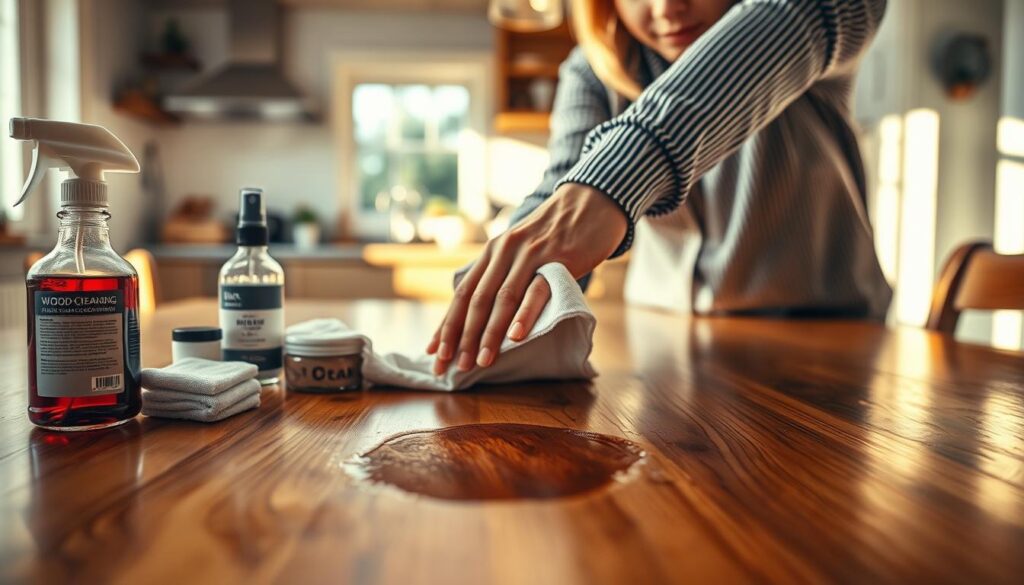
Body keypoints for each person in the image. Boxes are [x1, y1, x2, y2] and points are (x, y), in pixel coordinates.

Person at [428, 0, 893, 375]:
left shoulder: (808, 18)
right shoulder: (593, 69)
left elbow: (797, 15)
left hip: (831, 350)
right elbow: (558, 190)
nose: (667, 7)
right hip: (662, 350)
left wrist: (611, 180)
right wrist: (500, 311)